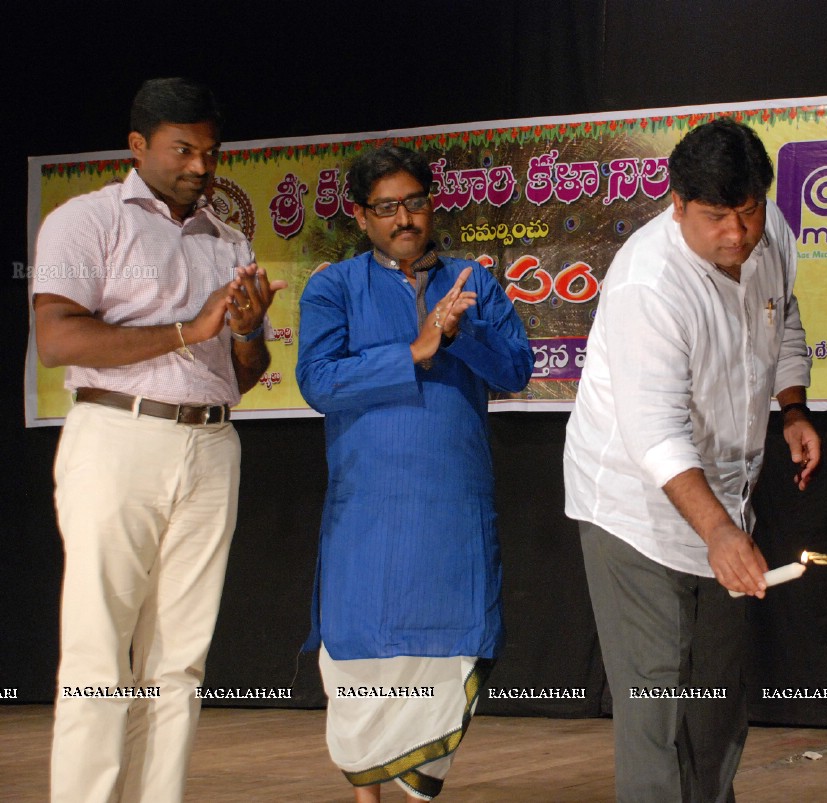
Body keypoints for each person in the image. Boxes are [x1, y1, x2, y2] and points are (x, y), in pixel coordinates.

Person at [33, 77, 286, 803]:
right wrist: (188, 328)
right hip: (117, 435)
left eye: (210, 152)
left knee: (180, 660)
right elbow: (55, 339)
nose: (201, 167)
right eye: (184, 150)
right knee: (96, 648)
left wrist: (242, 330)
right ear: (138, 145)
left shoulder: (228, 237)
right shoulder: (85, 220)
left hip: (210, 444)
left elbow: (242, 373)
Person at [563, 118, 820, 803]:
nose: (736, 235)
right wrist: (719, 532)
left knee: (715, 696)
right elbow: (656, 434)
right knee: (655, 698)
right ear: (675, 206)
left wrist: (791, 407)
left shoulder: (772, 236)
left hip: (727, 499)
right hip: (635, 510)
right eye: (714, 218)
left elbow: (784, 315)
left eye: (747, 212)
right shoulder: (649, 283)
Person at [296, 145, 533, 803]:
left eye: (415, 202)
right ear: (361, 216)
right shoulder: (333, 287)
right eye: (387, 207)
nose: (404, 218)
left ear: (432, 205)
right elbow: (317, 380)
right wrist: (417, 347)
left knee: (448, 644)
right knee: (360, 650)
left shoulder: (472, 282)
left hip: (450, 506)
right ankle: (367, 796)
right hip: (367, 508)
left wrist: (461, 335)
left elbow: (513, 370)